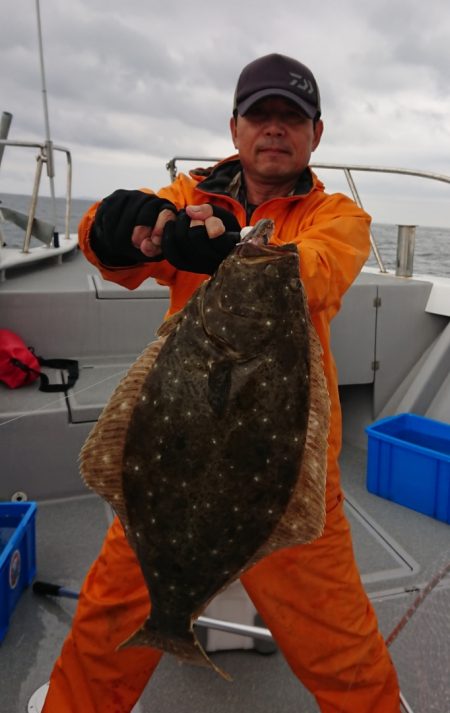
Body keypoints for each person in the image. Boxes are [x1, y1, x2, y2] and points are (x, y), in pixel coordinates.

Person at [42, 53, 400, 713]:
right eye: (258, 115)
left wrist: (240, 251)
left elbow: (319, 267)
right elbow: (108, 245)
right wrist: (123, 229)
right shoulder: (188, 200)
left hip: (287, 475)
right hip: (172, 466)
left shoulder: (338, 217)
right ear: (234, 128)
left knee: (347, 657)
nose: (273, 129)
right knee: (102, 636)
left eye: (290, 117)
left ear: (315, 134)